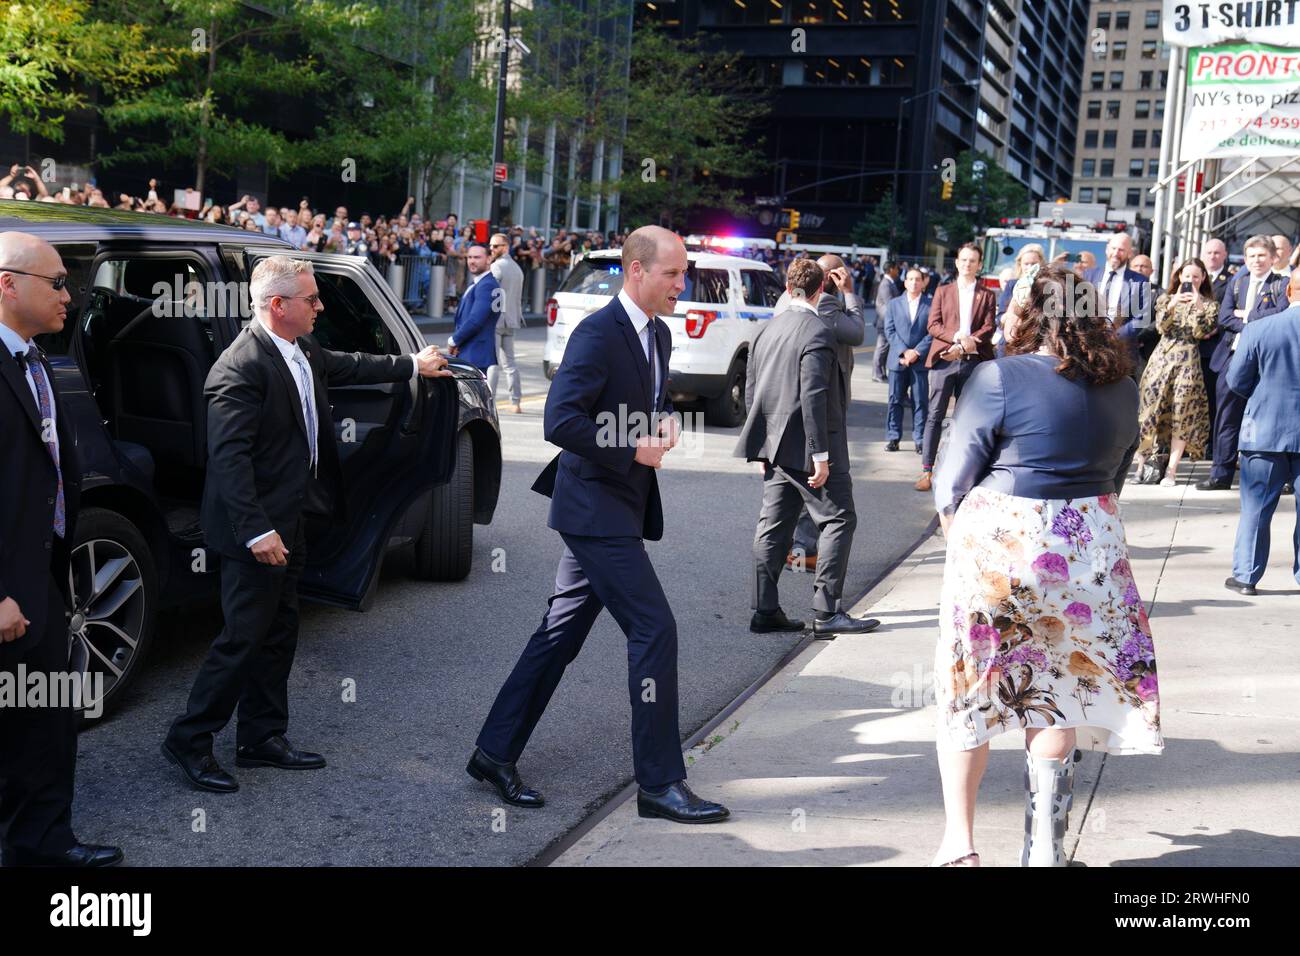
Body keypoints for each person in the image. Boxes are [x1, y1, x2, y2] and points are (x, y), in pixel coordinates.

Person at [469, 226, 730, 824]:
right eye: (672, 273)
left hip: (620, 505)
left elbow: (650, 403)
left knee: (560, 634)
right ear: (637, 271)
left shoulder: (659, 334)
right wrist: (631, 448)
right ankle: (660, 784)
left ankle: (494, 751)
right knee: (654, 628)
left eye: (683, 272)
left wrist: (662, 426)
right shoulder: (596, 333)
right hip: (593, 509)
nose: (680, 284)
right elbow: (559, 421)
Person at [162, 257, 449, 792]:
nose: (320, 307)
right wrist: (256, 532)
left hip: (290, 521)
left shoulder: (303, 350)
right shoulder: (239, 368)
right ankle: (190, 739)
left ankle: (261, 738)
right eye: (312, 300)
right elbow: (229, 462)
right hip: (256, 531)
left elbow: (353, 365)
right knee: (242, 639)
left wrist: (412, 364)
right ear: (278, 306)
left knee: (278, 632)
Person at [930, 261, 1161, 868]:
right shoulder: (1124, 385)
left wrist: (961, 538)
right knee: (1056, 695)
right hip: (1088, 549)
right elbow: (1115, 475)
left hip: (1005, 543)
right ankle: (1044, 853)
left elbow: (954, 480)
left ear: (1031, 313)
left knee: (969, 688)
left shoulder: (998, 376)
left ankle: (960, 846)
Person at [0, 234, 124, 867]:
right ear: (6, 283)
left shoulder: (36, 360)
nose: (68, 296)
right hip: (7, 586)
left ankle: (40, 845)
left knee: (45, 715)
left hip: (42, 573)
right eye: (55, 283)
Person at [744, 259, 876, 637]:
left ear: (788, 288)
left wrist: (761, 448)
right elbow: (814, 395)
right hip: (812, 446)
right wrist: (821, 455)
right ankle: (826, 610)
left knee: (773, 527)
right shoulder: (817, 331)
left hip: (775, 446)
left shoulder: (766, 330)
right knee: (839, 519)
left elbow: (755, 393)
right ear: (820, 291)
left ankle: (765, 609)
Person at [772, 254, 866, 570]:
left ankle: (796, 553)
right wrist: (850, 292)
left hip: (793, 406)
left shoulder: (789, 301)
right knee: (822, 488)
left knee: (792, 491)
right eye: (839, 273)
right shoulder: (823, 303)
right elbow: (856, 333)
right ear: (826, 278)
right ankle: (803, 551)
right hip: (821, 407)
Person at [1224, 272, 1300, 594]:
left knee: (1256, 507)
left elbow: (1236, 380)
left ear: (1287, 290)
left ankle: (1246, 577)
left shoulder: (1259, 328)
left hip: (1265, 430)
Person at [1198, 236, 1290, 491]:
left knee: (1269, 418)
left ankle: (1276, 476)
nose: (1256, 261)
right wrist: (1254, 323)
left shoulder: (1282, 285)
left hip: (1266, 361)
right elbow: (1225, 317)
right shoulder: (1237, 283)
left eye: (1261, 255)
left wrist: (1247, 316)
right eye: (1251, 256)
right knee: (1226, 417)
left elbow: (1280, 314)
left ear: (1272, 258)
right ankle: (1220, 474)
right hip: (1232, 357)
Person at [915, 243, 997, 493]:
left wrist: (969, 343)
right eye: (963, 260)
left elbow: (989, 326)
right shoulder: (943, 290)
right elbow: (933, 325)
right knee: (935, 416)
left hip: (973, 362)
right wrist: (957, 338)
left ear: (980, 264)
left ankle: (961, 471)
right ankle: (927, 470)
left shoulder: (988, 294)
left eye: (972, 261)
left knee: (968, 419)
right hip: (944, 360)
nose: (967, 264)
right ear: (957, 262)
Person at [1130, 259, 1217, 486]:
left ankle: (1172, 470)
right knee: (1149, 412)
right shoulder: (1165, 300)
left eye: (1196, 277)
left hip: (1188, 361)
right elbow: (1161, 327)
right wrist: (1173, 304)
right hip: (1161, 359)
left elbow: (1202, 331)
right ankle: (1141, 465)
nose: (1191, 280)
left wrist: (1197, 305)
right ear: (1179, 276)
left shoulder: (1208, 304)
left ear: (1203, 278)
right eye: (1187, 276)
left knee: (1183, 412)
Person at [1082, 232, 1149, 374]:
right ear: (1107, 249)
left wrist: (1114, 336)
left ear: (1130, 253)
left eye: (1121, 250)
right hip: (1089, 349)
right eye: (1113, 248)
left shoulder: (1140, 281)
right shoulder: (1088, 276)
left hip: (1122, 352)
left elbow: (1141, 319)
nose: (1116, 253)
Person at [883, 267, 933, 453]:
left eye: (917, 279)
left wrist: (916, 352)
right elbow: (889, 330)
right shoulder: (894, 304)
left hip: (919, 361)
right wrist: (904, 352)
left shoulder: (931, 304)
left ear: (923, 282)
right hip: (898, 360)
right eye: (910, 279)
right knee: (895, 400)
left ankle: (920, 439)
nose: (914, 282)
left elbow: (932, 332)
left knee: (920, 402)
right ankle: (893, 437)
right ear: (905, 282)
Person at [446, 245, 500, 374]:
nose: (472, 261)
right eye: (469, 257)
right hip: (468, 351)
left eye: (477, 257)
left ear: (489, 259)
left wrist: (453, 341)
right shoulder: (478, 283)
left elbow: (476, 320)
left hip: (475, 353)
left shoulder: (487, 285)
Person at [487, 232, 524, 413]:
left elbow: (491, 296)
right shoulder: (517, 269)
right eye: (491, 246)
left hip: (496, 321)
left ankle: (489, 401)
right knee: (510, 364)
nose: (491, 249)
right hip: (512, 320)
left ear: (505, 247)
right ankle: (515, 402)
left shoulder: (496, 267)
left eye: (496, 246)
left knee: (493, 363)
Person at [1198, 237, 1233, 425]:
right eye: (1209, 252)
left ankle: (1209, 440)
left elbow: (1228, 312)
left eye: (1217, 253)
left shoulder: (1231, 281)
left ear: (1225, 255)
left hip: (1213, 347)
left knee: (1210, 395)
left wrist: (1212, 329)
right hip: (1191, 346)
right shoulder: (1193, 277)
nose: (1212, 256)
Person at [995, 244, 1045, 355]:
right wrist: (1010, 316)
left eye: (1034, 264)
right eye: (1026, 264)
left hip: (1033, 346)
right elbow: (998, 318)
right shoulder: (1012, 285)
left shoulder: (1046, 287)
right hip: (1009, 346)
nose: (1030, 267)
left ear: (1041, 264)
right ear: (1020, 265)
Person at [872, 261, 900, 382]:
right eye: (896, 269)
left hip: (886, 321)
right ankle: (876, 373)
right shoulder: (885, 284)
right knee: (881, 348)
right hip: (885, 321)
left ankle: (881, 372)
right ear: (891, 269)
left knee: (885, 348)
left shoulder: (889, 283)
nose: (898, 271)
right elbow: (890, 304)